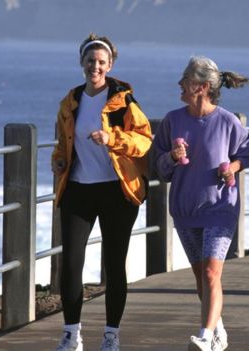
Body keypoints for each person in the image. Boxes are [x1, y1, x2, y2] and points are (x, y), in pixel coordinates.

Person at [51, 33, 152, 351]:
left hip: (116, 190)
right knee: (71, 263)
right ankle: (71, 334)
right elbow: (62, 143)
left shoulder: (124, 101)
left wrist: (112, 139)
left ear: (110, 65)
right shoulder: (70, 101)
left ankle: (111, 335)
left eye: (101, 62)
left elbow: (144, 141)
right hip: (78, 189)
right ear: (81, 62)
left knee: (114, 262)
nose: (95, 66)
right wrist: (59, 161)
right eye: (90, 60)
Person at [152, 56, 249, 351]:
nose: (180, 85)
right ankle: (218, 328)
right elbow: (159, 167)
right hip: (185, 209)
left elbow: (247, 152)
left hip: (219, 208)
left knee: (211, 272)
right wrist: (172, 156)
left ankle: (206, 336)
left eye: (185, 79)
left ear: (201, 86)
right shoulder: (173, 120)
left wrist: (233, 167)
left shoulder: (227, 121)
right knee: (201, 277)